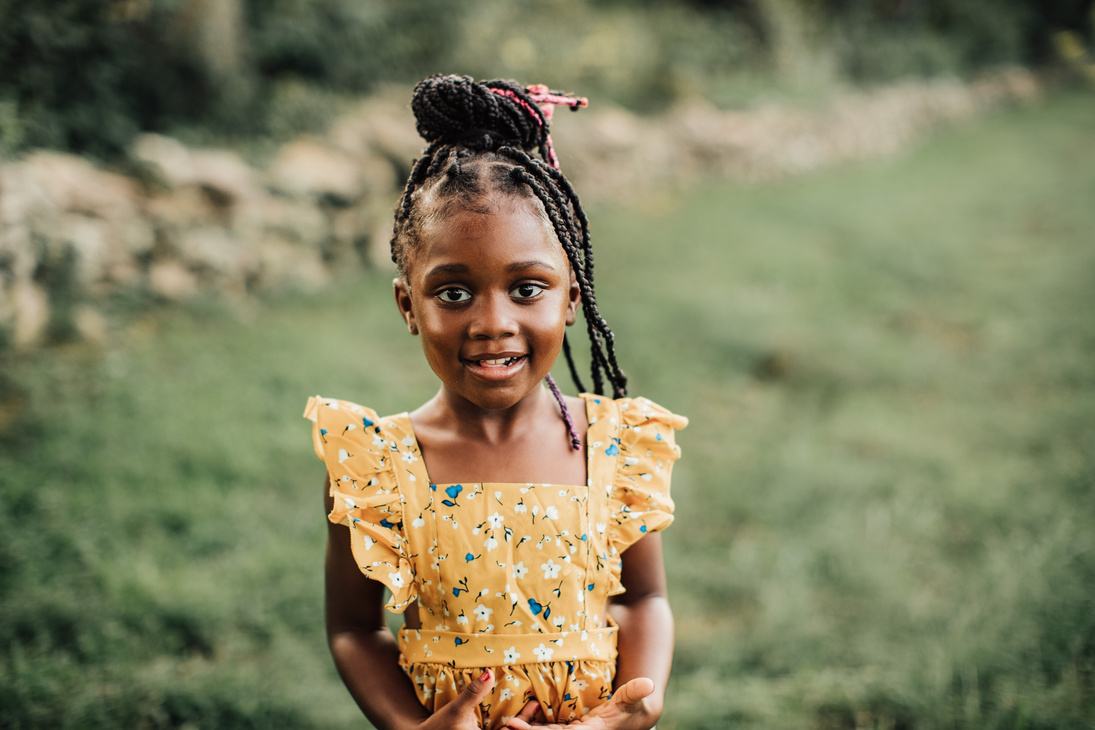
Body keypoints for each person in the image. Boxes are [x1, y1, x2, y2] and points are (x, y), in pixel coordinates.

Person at [304, 74, 687, 730]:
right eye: (453, 293)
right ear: (408, 305)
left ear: (571, 297)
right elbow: (354, 629)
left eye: (527, 288)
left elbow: (643, 598)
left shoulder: (615, 449)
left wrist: (634, 708)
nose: (492, 323)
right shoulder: (375, 468)